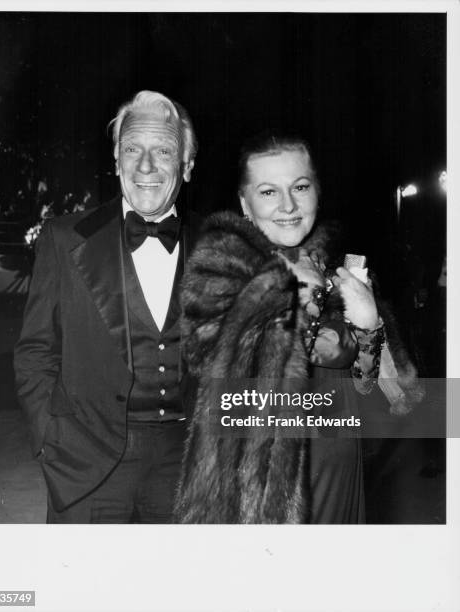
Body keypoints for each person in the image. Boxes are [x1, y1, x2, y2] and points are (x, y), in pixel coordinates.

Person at [174, 131, 421, 524]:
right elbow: (211, 364)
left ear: (317, 192)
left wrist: (371, 324)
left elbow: (382, 394)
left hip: (339, 472)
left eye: (300, 187)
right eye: (269, 192)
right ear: (245, 203)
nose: (288, 205)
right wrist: (292, 294)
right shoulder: (219, 268)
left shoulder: (344, 269)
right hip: (259, 489)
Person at [14, 90, 199, 523]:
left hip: (185, 468)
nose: (145, 166)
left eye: (164, 151)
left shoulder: (218, 247)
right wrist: (48, 437)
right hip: (85, 464)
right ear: (116, 161)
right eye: (132, 149)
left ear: (187, 166)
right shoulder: (64, 238)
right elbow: (35, 351)